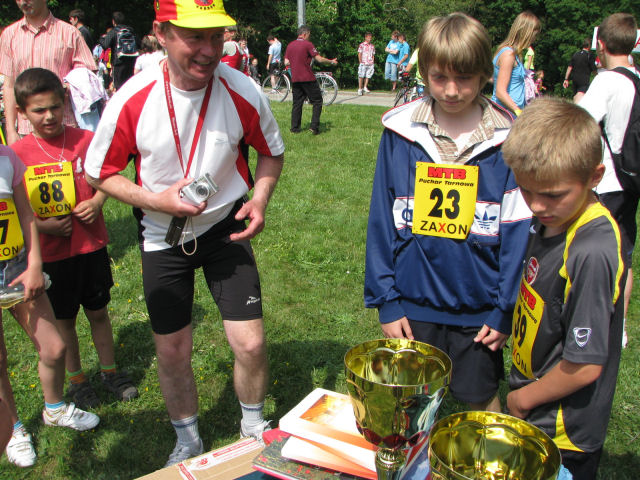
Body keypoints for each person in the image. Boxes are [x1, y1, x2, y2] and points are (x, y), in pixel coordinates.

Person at [84, 0, 285, 467]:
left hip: (225, 229)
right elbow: (98, 172)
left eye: (216, 36)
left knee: (252, 342)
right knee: (173, 350)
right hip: (162, 237)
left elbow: (271, 152)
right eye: (195, 37)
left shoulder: (242, 89)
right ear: (161, 33)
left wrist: (259, 199)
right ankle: (188, 439)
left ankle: (253, 427)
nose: (209, 50)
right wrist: (157, 201)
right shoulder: (133, 98)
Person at [364, 13, 531, 413]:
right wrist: (386, 300)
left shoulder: (509, 139)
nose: (452, 90)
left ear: (485, 74)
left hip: (479, 308)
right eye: (440, 78)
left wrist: (504, 307)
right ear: (424, 71)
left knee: (480, 402)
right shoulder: (400, 132)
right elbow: (381, 220)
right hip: (412, 303)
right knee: (409, 405)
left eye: (465, 78)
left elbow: (518, 229)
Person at [503, 97, 625, 480]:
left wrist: (522, 399)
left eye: (553, 195)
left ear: (595, 176)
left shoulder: (590, 249)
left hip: (560, 427)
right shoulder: (557, 216)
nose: (537, 206)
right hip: (535, 397)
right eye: (526, 190)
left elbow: (585, 365)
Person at [11, 67, 138, 411]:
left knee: (98, 312)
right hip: (51, 255)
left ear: (65, 102)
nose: (49, 116)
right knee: (64, 320)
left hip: (90, 246)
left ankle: (110, 372)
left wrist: (97, 202)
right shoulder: (17, 155)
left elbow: (108, 176)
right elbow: (18, 213)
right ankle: (77, 379)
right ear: (22, 112)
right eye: (38, 110)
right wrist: (44, 227)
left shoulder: (85, 140)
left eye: (55, 107)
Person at [0, 143, 99, 468]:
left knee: (54, 348)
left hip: (17, 270)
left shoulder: (7, 157)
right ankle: (14, 429)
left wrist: (34, 264)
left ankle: (54, 408)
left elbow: (25, 214)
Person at [579, 13, 639, 349]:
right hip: (632, 181)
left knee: (596, 251)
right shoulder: (637, 77)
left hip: (606, 181)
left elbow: (582, 121)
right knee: (624, 255)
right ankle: (621, 325)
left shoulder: (606, 81)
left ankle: (594, 321)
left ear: (600, 44)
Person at [0, 0, 96, 145]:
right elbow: (9, 86)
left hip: (64, 126)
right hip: (26, 130)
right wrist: (11, 130)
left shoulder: (69, 33)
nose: (23, 1)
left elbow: (86, 78)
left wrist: (64, 88)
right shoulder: (9, 35)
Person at [284, 25, 337, 135]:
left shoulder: (290, 45)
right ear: (305, 34)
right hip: (307, 77)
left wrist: (295, 61)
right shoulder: (308, 44)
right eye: (309, 35)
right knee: (317, 101)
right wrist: (331, 61)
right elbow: (319, 59)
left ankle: (295, 128)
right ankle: (314, 127)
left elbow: (286, 62)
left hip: (296, 78)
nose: (309, 37)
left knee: (297, 103)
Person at [491, 11, 541, 116]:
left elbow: (493, 79)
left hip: (511, 113)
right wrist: (518, 111)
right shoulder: (508, 55)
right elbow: (500, 92)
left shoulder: (515, 54)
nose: (535, 39)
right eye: (534, 35)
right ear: (526, 33)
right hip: (505, 115)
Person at [99, 12, 139, 90]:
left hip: (118, 62)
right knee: (130, 86)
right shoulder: (131, 31)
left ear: (113, 21)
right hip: (131, 62)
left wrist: (102, 38)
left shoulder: (114, 31)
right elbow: (139, 44)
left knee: (119, 87)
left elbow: (105, 45)